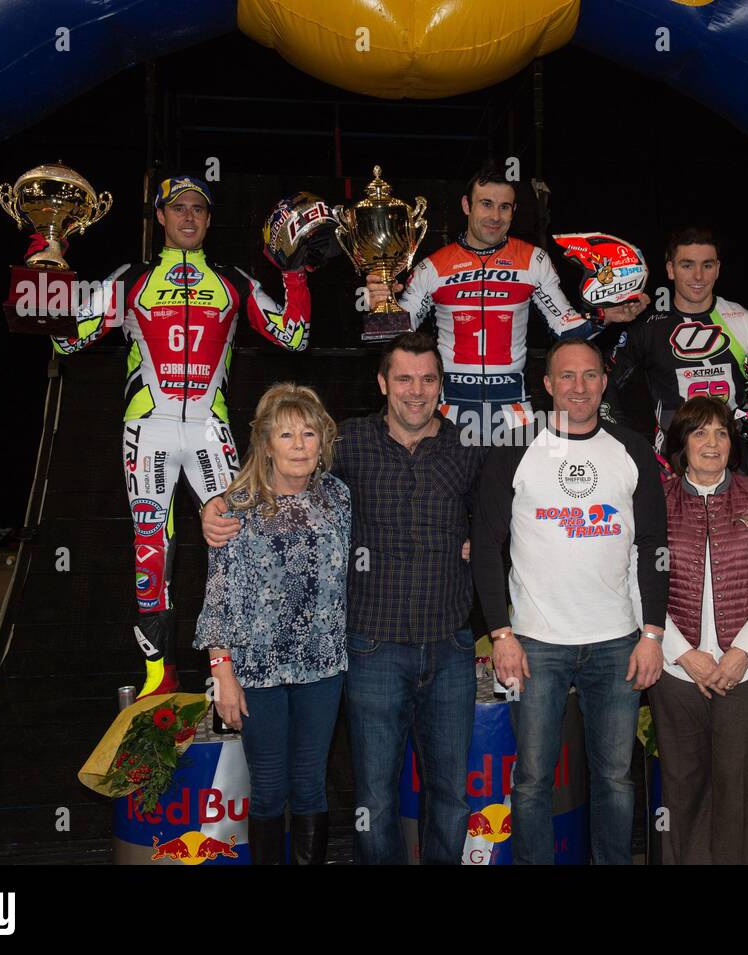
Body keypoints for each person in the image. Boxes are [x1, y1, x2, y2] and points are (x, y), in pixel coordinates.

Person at [202, 332, 486, 864]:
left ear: (441, 387)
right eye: (403, 378)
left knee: (449, 796)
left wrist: (476, 532)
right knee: (371, 798)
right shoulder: (350, 447)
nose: (415, 391)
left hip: (444, 645)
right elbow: (269, 487)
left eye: (427, 379)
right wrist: (215, 505)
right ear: (382, 383)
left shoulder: (464, 449)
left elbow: (498, 515)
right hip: (368, 649)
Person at [47, 174, 321, 698]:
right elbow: (67, 342)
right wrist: (48, 268)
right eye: (178, 209)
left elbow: (295, 335)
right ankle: (157, 673)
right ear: (161, 218)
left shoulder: (232, 280)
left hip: (207, 427)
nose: (189, 216)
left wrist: (296, 275)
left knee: (235, 542)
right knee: (152, 544)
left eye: (198, 208)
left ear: (210, 219)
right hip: (147, 428)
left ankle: (229, 666)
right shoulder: (133, 278)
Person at [470, 338, 669, 864]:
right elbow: (487, 548)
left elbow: (653, 547)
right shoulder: (515, 448)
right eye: (566, 376)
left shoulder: (632, 449)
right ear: (547, 383)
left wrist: (653, 635)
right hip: (536, 646)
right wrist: (502, 634)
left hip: (617, 644)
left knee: (615, 778)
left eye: (589, 376)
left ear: (604, 382)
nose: (578, 387)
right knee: (532, 779)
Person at [368, 165, 647, 441]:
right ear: (467, 205)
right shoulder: (433, 267)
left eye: (504, 207)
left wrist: (606, 316)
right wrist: (381, 305)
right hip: (449, 404)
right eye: (486, 204)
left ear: (514, 211)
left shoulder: (533, 260)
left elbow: (564, 327)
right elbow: (399, 338)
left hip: (512, 405)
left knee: (516, 486)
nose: (495, 216)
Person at [193, 383, 349, 865]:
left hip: (323, 671)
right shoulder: (234, 508)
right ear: (265, 444)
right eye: (286, 435)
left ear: (323, 442)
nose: (300, 444)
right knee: (267, 790)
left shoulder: (338, 499)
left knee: (310, 787)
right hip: (256, 674)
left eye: (309, 433)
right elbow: (217, 596)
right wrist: (223, 673)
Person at [649, 396, 748, 864]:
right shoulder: (656, 501)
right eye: (699, 432)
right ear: (681, 443)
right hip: (676, 671)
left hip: (747, 674)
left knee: (741, 789)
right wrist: (684, 653)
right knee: (682, 788)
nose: (712, 443)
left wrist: (742, 653)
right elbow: (636, 584)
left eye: (722, 432)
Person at [602, 227, 748, 454]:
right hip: (671, 467)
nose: (698, 276)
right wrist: (629, 444)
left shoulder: (746, 321)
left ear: (718, 269)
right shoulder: (647, 327)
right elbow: (606, 382)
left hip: (733, 464)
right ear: (671, 270)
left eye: (707, 265)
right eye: (687, 265)